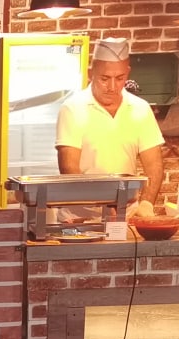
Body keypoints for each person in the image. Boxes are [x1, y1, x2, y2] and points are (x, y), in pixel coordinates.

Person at [55, 37, 165, 220]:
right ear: (91, 73)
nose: (112, 87)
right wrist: (102, 205)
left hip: (126, 216)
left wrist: (146, 203)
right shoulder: (72, 108)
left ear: (128, 73)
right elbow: (69, 169)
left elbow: (154, 165)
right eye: (104, 79)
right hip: (79, 219)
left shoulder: (141, 109)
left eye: (119, 78)